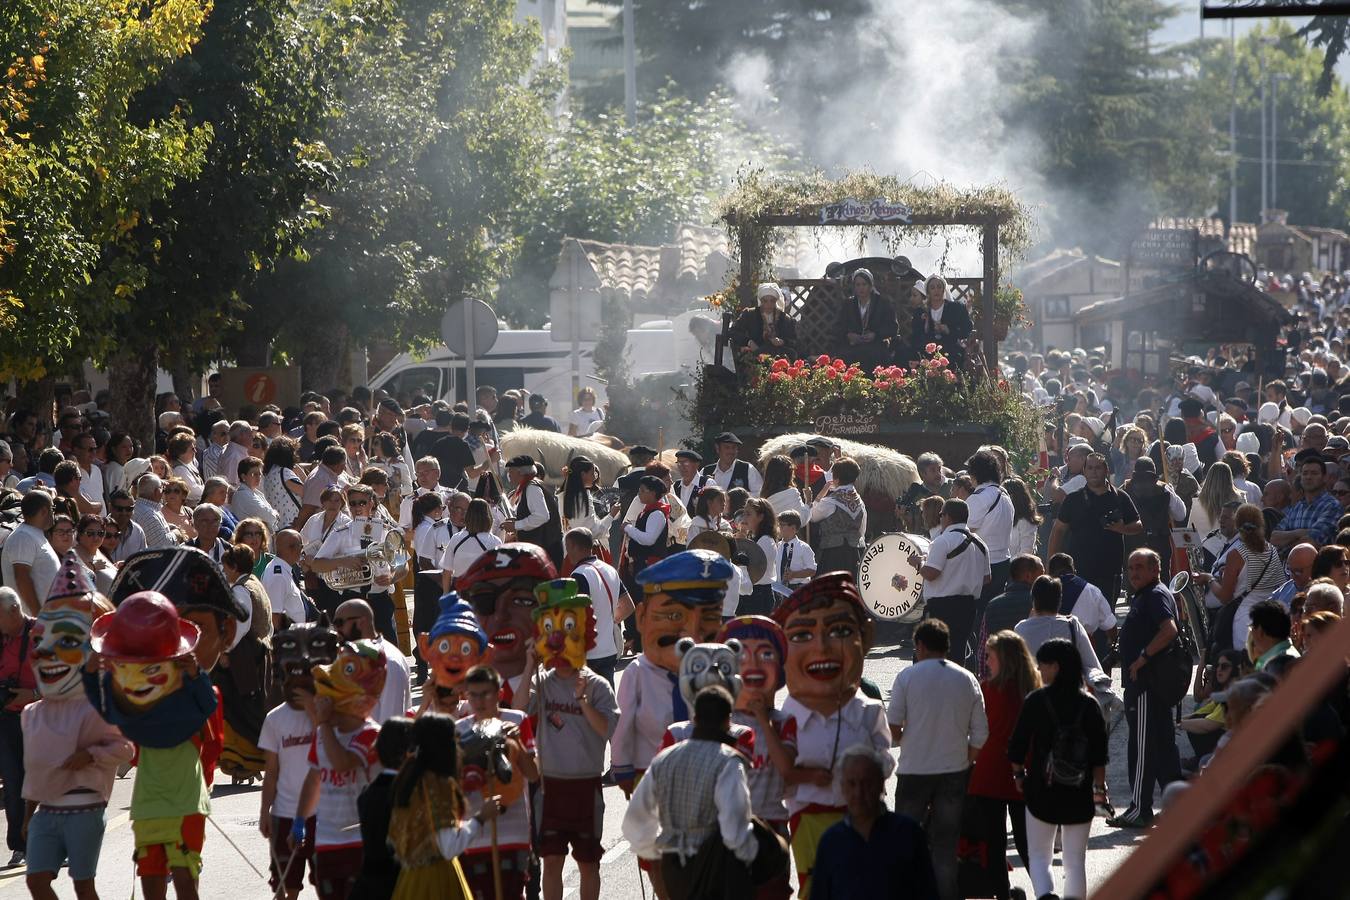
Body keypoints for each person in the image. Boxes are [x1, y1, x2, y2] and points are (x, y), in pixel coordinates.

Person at [774, 574, 891, 900]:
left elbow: (886, 757)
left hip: (862, 817)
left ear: (864, 637)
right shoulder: (786, 717)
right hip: (807, 816)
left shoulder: (868, 711)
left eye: (839, 631)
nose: (821, 647)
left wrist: (863, 772)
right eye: (801, 635)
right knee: (816, 889)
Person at [21, 575, 129, 895]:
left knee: (83, 887)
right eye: (41, 641)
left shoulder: (97, 707)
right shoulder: (33, 714)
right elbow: (35, 770)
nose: (46, 652)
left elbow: (125, 749)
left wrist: (91, 754)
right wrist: (28, 816)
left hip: (85, 808)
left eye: (66, 641)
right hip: (46, 811)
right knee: (36, 881)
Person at [521, 583, 618, 900]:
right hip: (551, 787)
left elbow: (607, 729)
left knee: (589, 863)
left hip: (586, 787)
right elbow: (519, 710)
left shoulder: (599, 685)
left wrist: (584, 702)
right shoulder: (543, 683)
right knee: (551, 862)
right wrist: (528, 668)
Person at [622, 685, 764, 900]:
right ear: (728, 721)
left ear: (695, 719)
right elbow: (734, 825)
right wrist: (747, 859)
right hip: (715, 863)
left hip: (673, 866)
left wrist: (655, 853)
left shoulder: (664, 759)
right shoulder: (728, 762)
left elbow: (636, 819)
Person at [886, 618, 987, 900]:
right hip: (953, 773)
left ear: (919, 645)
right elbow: (981, 733)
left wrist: (909, 738)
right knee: (945, 847)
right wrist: (964, 759)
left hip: (914, 771)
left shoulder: (907, 677)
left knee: (905, 842)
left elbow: (892, 729)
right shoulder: (966, 678)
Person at [1007, 638, 1109, 900]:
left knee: (1040, 856)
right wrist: (1099, 790)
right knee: (1075, 861)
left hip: (1042, 788)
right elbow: (1099, 755)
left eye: (1042, 665)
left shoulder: (1036, 701)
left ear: (1055, 667)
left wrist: (1020, 776)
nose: (1039, 671)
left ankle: (1045, 896)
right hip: (1080, 789)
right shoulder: (1089, 705)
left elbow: (1017, 746)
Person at [292, 640, 388, 900]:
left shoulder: (371, 735)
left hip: (362, 842)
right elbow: (314, 778)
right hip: (327, 842)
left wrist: (322, 723)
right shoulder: (324, 733)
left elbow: (342, 762)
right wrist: (299, 822)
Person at [386, 712, 498, 900]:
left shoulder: (407, 777)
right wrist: (481, 818)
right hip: (437, 880)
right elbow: (449, 847)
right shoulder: (438, 785)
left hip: (410, 879)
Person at [1108, 549, 1182, 828]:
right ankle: (1177, 805)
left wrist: (1142, 658)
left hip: (1147, 685)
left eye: (1140, 567)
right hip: (1149, 685)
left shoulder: (1155, 595)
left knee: (1141, 748)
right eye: (1130, 568)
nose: (1134, 573)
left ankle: (1140, 808)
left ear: (1155, 569)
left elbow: (1169, 630)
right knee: (1163, 746)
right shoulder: (1146, 595)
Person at [811, 744, 938, 900]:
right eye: (852, 783)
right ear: (842, 787)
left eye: (866, 783)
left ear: (881, 785)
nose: (859, 792)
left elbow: (928, 893)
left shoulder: (908, 833)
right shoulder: (831, 842)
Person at [454, 666, 539, 900]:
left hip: (514, 831)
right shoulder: (459, 731)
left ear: (499, 694)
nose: (480, 701)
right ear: (465, 695)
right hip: (475, 832)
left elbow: (533, 775)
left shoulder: (516, 720)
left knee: (512, 893)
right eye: (474, 695)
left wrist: (517, 743)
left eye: (486, 694)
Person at [967, 630, 1038, 899]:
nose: (986, 662)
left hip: (988, 773)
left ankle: (1002, 895)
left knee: (994, 845)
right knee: (1027, 843)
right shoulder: (1032, 689)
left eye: (990, 657)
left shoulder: (987, 689)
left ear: (1004, 660)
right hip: (1023, 771)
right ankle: (1044, 890)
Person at [1048, 452, 1141, 604]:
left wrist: (1122, 528)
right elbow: (1058, 531)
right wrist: (1051, 565)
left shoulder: (1119, 497)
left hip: (1110, 570)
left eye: (1098, 468)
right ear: (1084, 471)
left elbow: (1138, 525)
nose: (1094, 471)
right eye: (1090, 468)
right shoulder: (1073, 499)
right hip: (1079, 570)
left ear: (1106, 470)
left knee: (1107, 617)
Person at [919, 499, 991, 669]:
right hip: (968, 605)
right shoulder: (981, 543)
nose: (940, 518)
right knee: (958, 653)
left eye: (941, 514)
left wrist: (919, 563)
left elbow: (930, 574)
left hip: (941, 606)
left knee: (934, 653)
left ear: (948, 517)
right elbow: (987, 579)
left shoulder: (942, 541)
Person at [1203, 503, 1284, 653]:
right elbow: (1280, 585)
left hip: (1245, 621)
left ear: (1237, 524)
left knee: (1245, 668)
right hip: (1270, 619)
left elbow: (1225, 597)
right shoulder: (1272, 550)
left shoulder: (1237, 554)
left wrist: (1209, 579)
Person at [350, 717, 414, 900]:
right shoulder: (407, 793)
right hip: (398, 884)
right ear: (407, 753)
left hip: (368, 885)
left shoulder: (367, 794)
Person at [566, 527, 632, 686]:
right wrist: (609, 621)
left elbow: (577, 617)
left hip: (588, 653)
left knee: (586, 705)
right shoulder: (610, 570)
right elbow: (628, 606)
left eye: (567, 547)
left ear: (574, 546)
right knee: (607, 703)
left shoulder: (579, 575)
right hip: (609, 650)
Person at [0, 588, 36, 867]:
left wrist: (33, 695)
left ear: (14, 610)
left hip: (42, 718)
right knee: (13, 783)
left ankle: (54, 842)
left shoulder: (43, 633)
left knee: (45, 781)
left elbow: (68, 680)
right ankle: (19, 846)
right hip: (8, 719)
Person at [332, 598, 411, 725]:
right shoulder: (346, 655)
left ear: (361, 622)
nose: (336, 630)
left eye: (339, 623)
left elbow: (391, 722)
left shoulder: (390, 661)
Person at [974, 555, 1044, 677]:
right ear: (1028, 576)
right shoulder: (1040, 604)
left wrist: (985, 678)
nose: (1045, 577)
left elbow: (983, 649)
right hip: (1031, 677)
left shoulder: (992, 605)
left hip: (999, 678)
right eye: (1042, 574)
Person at [965, 451, 1015, 611]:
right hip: (1004, 562)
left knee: (977, 615)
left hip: (983, 565)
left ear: (976, 473)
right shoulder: (1005, 495)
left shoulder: (978, 497)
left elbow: (963, 532)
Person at [2, 491, 60, 614]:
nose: (54, 513)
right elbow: (22, 578)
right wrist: (37, 615)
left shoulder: (32, 534)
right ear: (45, 510)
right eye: (53, 508)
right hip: (33, 623)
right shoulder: (23, 537)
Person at [809, 458, 867, 578]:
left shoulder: (830, 501)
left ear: (836, 479)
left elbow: (812, 516)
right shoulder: (860, 502)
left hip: (832, 555)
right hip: (855, 553)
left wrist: (819, 496)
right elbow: (862, 530)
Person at [1271, 455, 1342, 550]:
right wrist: (1299, 533)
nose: (1308, 477)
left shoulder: (1332, 506)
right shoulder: (1297, 507)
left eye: (1314, 473)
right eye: (1305, 473)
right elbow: (1274, 538)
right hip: (1289, 564)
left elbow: (1313, 541)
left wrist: (1287, 541)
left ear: (1324, 477)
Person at [504, 455, 564, 566]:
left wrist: (517, 525)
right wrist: (517, 521)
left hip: (546, 550)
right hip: (541, 549)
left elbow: (542, 516)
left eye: (511, 471)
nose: (509, 475)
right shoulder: (529, 487)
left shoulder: (532, 488)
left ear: (520, 473)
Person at [837, 267, 897, 371]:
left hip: (876, 344)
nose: (861, 288)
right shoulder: (849, 304)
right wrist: (849, 335)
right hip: (854, 345)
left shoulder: (882, 303)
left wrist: (876, 334)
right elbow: (839, 326)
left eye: (864, 284)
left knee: (874, 354)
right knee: (845, 355)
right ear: (854, 287)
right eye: (858, 285)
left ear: (870, 285)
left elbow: (892, 327)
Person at [911, 274, 972, 370]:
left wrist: (949, 330)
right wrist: (926, 326)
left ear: (944, 289)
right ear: (928, 292)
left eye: (939, 287)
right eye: (932, 288)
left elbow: (966, 329)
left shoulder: (956, 308)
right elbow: (915, 335)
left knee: (953, 357)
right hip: (927, 350)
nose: (936, 290)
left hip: (951, 349)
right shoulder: (921, 311)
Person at [731, 282, 798, 360]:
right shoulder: (750, 314)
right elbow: (734, 332)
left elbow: (794, 340)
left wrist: (783, 341)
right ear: (761, 301)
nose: (769, 304)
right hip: (755, 355)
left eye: (772, 301)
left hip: (778, 356)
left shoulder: (785, 318)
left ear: (776, 301)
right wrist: (748, 342)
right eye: (765, 301)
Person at [738, 497, 779, 616]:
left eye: (749, 514)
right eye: (744, 513)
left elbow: (753, 570)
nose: (744, 518)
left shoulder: (765, 541)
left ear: (761, 517)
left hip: (759, 594)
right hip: (753, 593)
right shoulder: (756, 539)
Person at [1246, 599, 1299, 674]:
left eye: (1252, 627)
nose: (1251, 632)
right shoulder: (1290, 658)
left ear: (1260, 631)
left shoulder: (1279, 666)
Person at [132, 473, 179, 550]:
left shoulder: (141, 508)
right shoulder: (149, 514)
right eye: (162, 489)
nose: (163, 492)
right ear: (157, 491)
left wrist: (168, 527)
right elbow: (164, 545)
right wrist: (176, 533)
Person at [74, 513, 116, 594]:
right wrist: (92, 567)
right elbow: (72, 580)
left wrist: (115, 568)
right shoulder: (73, 554)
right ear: (80, 534)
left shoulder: (99, 550)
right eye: (90, 533)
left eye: (100, 533)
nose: (96, 538)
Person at [775, 510, 816, 590]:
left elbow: (812, 570)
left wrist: (794, 574)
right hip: (779, 588)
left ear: (793, 528)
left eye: (782, 525)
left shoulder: (804, 548)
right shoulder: (776, 547)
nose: (779, 528)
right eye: (778, 525)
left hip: (798, 588)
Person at [761, 454, 808, 523]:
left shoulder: (764, 495)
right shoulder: (792, 493)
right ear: (789, 474)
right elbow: (802, 520)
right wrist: (808, 501)